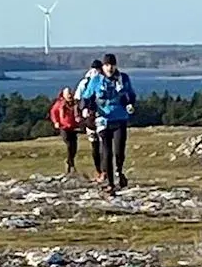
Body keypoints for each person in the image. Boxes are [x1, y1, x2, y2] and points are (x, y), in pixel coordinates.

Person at [88, 53, 137, 191]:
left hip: (120, 118)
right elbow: (87, 97)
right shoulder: (96, 80)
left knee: (119, 149)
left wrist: (130, 103)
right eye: (107, 65)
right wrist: (87, 110)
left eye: (112, 65)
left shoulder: (123, 78)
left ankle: (119, 171)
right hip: (102, 120)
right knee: (106, 151)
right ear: (103, 66)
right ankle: (110, 182)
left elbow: (131, 95)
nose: (110, 68)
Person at [48, 87, 82, 174]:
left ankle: (70, 163)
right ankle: (70, 164)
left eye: (70, 93)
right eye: (68, 94)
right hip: (64, 127)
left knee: (74, 147)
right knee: (69, 145)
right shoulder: (59, 104)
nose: (70, 95)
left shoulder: (76, 104)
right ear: (64, 95)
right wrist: (56, 122)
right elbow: (53, 112)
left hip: (74, 128)